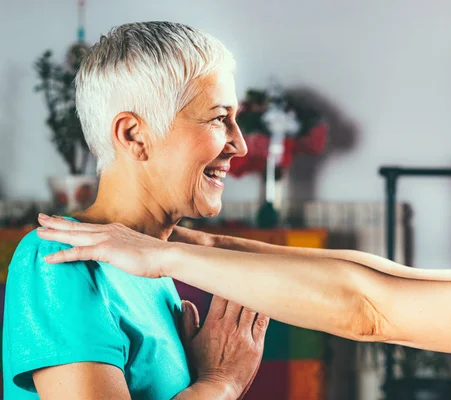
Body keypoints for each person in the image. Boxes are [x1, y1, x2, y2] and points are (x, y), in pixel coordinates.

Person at [38, 19, 451, 400]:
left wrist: (166, 265)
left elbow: (369, 309)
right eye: (218, 119)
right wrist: (183, 244)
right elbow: (380, 277)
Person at [3, 22, 270, 399]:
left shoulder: (150, 264)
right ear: (134, 135)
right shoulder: (59, 257)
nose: (240, 145)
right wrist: (221, 383)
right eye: (218, 117)